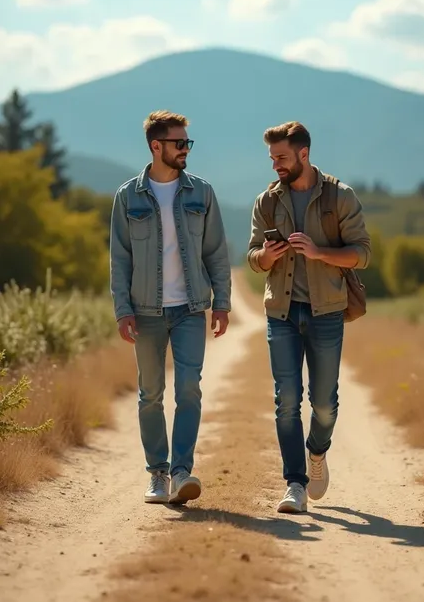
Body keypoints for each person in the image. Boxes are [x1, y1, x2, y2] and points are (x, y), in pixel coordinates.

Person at [247, 121, 371, 514]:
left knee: (324, 405)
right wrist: (266, 256)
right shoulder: (266, 201)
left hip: (326, 312)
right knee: (286, 400)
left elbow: (362, 253)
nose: (275, 166)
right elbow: (252, 258)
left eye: (281, 158)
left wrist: (319, 253)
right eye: (272, 159)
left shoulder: (340, 197)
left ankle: (317, 451)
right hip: (280, 313)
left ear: (304, 154)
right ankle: (295, 484)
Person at [110, 110, 231, 506]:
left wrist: (222, 303)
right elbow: (120, 259)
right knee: (150, 395)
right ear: (156, 146)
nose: (186, 150)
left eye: (187, 143)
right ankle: (157, 474)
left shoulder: (202, 193)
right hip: (145, 312)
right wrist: (122, 309)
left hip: (190, 309)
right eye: (180, 143)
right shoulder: (128, 196)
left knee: (190, 388)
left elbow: (215, 252)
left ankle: (182, 472)